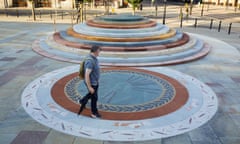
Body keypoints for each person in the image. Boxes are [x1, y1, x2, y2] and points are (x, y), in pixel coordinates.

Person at [78, 45, 101, 118]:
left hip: (95, 81)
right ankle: (94, 113)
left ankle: (82, 101)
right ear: (96, 51)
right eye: (99, 51)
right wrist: (89, 87)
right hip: (92, 82)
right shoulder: (90, 61)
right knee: (94, 97)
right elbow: (87, 75)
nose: (99, 53)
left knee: (92, 95)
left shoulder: (93, 58)